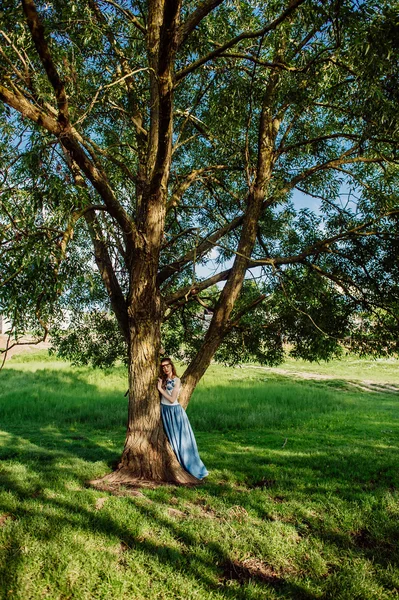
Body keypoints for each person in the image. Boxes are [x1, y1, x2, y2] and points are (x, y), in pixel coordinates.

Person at [157, 358, 208, 480]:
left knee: (182, 442)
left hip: (175, 413)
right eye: (163, 366)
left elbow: (172, 399)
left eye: (167, 365)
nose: (165, 368)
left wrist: (160, 389)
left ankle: (193, 467)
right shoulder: (163, 380)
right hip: (165, 411)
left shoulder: (177, 380)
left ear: (171, 366)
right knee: (172, 441)